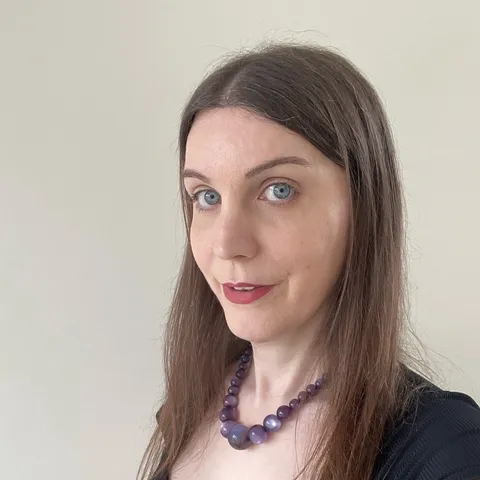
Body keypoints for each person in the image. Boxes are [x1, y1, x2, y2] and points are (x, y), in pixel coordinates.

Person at [137, 43, 480, 480]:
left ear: (362, 206)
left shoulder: (445, 451)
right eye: (206, 197)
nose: (227, 244)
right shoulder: (186, 410)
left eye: (278, 190)